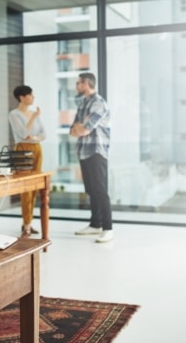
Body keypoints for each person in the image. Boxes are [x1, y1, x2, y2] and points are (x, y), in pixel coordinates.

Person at [69, 72, 113, 243]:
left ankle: (108, 229)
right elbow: (72, 130)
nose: (76, 86)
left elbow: (84, 130)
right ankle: (95, 224)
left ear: (86, 83)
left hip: (96, 151)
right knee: (91, 190)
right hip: (83, 151)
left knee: (100, 191)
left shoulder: (99, 103)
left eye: (78, 83)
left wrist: (81, 127)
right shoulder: (83, 104)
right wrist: (80, 126)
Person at [8, 85, 46, 237]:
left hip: (37, 148)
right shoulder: (14, 114)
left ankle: (28, 222)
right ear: (22, 97)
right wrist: (34, 118)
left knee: (35, 188)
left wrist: (35, 137)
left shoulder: (32, 113)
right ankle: (27, 224)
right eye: (30, 95)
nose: (33, 97)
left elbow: (43, 134)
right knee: (26, 188)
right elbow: (24, 134)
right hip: (23, 149)